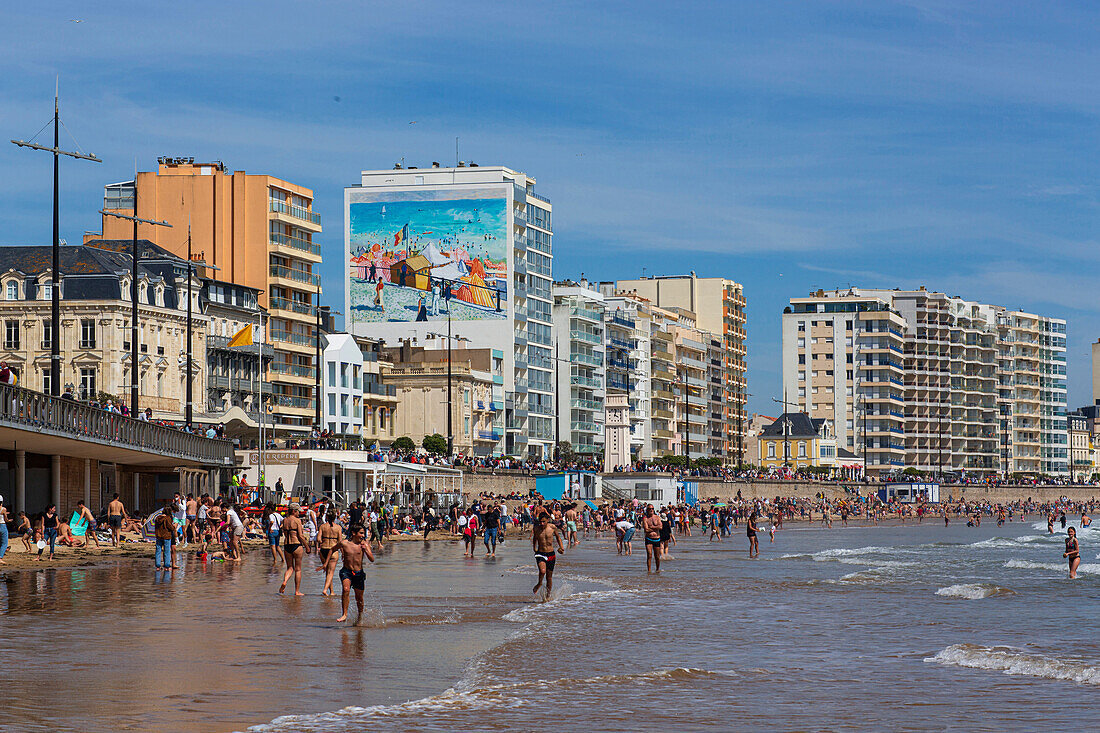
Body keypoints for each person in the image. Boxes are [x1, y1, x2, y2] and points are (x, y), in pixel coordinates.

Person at [336, 524, 376, 623]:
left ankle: (360, 617)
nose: (363, 535)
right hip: (346, 571)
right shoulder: (345, 543)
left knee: (359, 598)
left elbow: (372, 559)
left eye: (364, 533)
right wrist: (325, 564)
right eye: (361, 533)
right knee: (346, 590)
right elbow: (333, 549)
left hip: (358, 573)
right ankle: (344, 614)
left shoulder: (364, 544)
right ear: (354, 533)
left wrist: (366, 550)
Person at [278, 503, 311, 596]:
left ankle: (285, 581)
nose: (299, 513)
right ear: (293, 511)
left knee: (289, 568)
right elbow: (300, 536)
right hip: (296, 544)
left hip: (287, 545)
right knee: (298, 569)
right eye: (297, 511)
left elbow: (284, 533)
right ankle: (297, 591)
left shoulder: (285, 520)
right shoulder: (297, 521)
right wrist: (307, 546)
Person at [531, 511, 565, 600]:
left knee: (549, 577)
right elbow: (534, 539)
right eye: (540, 522)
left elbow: (558, 537)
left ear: (548, 520)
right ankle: (539, 583)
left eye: (543, 522)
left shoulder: (552, 527)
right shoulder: (536, 529)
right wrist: (534, 548)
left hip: (551, 554)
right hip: (540, 553)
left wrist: (561, 547)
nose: (542, 524)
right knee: (542, 571)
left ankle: (547, 596)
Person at [317, 511, 344, 596]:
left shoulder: (322, 526)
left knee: (327, 572)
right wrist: (343, 553)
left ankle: (331, 592)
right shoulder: (338, 527)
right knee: (330, 572)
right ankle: (325, 590)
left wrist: (323, 541)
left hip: (323, 550)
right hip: (333, 550)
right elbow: (340, 541)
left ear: (327, 517)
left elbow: (318, 539)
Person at [153, 502, 178, 570]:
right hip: (166, 536)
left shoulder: (157, 518)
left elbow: (156, 527)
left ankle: (158, 565)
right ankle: (166, 565)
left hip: (158, 536)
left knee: (158, 551)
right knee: (166, 551)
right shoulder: (167, 518)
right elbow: (171, 527)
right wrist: (174, 526)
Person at [642, 506, 662, 573]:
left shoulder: (657, 517)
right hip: (648, 538)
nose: (651, 510)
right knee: (649, 555)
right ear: (647, 510)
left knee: (657, 556)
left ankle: (657, 569)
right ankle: (649, 571)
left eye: (652, 509)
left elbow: (661, 527)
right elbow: (646, 529)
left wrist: (652, 527)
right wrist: (656, 528)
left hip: (656, 538)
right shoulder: (645, 519)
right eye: (650, 509)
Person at [0, 494, 8, 563]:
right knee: (4, 543)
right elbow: (5, 519)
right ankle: (0, 558)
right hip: (2, 525)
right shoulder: (3, 509)